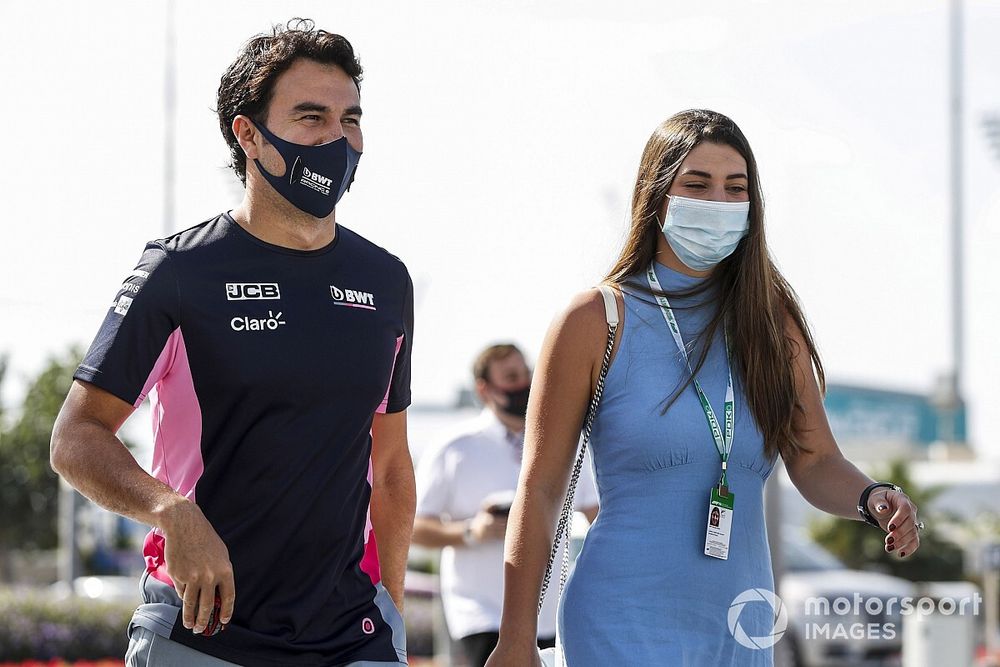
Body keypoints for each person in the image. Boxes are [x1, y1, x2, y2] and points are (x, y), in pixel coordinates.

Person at [485, 109, 923, 666]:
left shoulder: (771, 321)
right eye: (697, 185)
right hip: (619, 623)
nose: (717, 203)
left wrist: (871, 497)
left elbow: (814, 461)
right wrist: (516, 636)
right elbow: (541, 489)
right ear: (657, 194)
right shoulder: (596, 318)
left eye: (735, 188)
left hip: (741, 627)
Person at [50, 20, 414, 666]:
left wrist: (392, 600)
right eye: (311, 117)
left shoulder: (386, 282)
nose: (337, 139)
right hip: (203, 633)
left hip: (352, 634)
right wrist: (170, 511)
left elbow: (389, 466)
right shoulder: (179, 272)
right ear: (249, 135)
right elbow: (75, 438)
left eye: (349, 118)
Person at [412, 344, 598, 666]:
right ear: (484, 389)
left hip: (555, 615)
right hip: (480, 617)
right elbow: (414, 528)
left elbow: (597, 514)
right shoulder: (454, 448)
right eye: (512, 377)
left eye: (527, 373)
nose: (524, 384)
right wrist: (471, 532)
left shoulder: (566, 443)